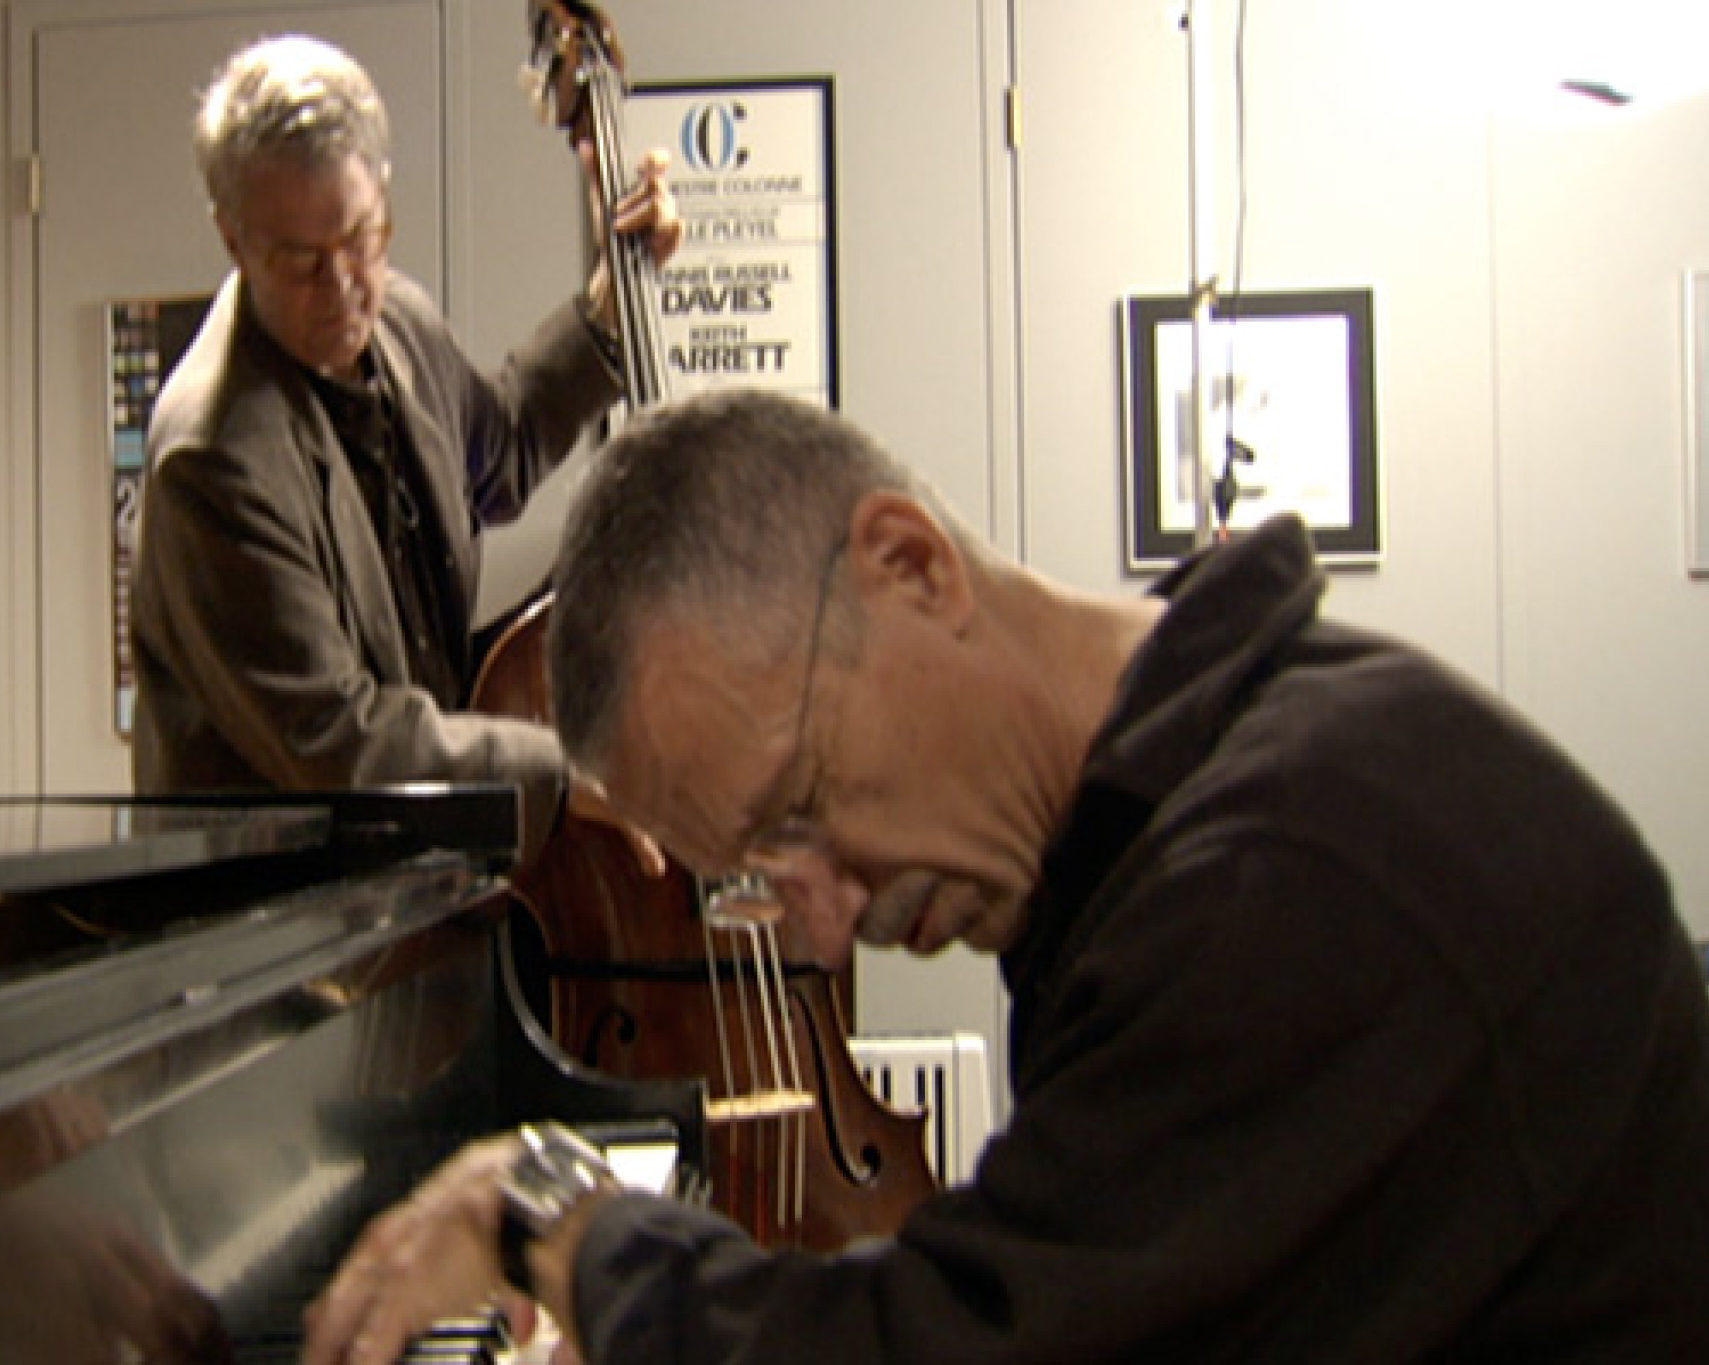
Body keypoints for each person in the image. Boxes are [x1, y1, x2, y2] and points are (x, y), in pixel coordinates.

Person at [301, 389, 1709, 1364]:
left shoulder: (1290, 876)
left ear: (910, 564)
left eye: (803, 807)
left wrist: (557, 1220)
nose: (834, 917)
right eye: (755, 875)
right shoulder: (1222, 797)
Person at [129, 32, 678, 858]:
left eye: (362, 237)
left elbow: (503, 452)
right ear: (233, 239)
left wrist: (612, 296)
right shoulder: (214, 459)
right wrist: (564, 767)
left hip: (407, 887)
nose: (346, 286)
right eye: (303, 262)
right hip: (283, 936)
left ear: (383, 193)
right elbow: (344, 742)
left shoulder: (400, 321)